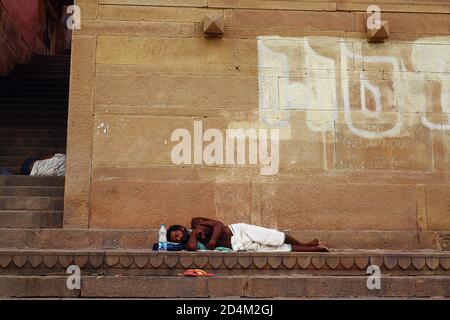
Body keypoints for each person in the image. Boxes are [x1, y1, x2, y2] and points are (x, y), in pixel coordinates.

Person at [167, 217, 329, 252]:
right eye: (175, 239)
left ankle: (305, 243)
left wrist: (213, 240)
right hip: (239, 246)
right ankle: (313, 249)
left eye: (177, 234)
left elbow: (218, 225)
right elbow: (192, 248)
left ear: (181, 228)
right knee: (276, 249)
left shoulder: (196, 222)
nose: (178, 238)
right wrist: (193, 234)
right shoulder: (189, 242)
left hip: (239, 231)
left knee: (274, 236)